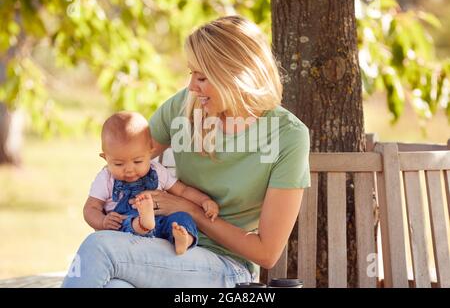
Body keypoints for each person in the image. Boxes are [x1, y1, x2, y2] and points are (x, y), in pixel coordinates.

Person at [62, 15, 310, 288]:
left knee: (99, 248)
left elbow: (266, 253)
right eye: (191, 74)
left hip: (225, 267)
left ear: (234, 75)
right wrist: (102, 210)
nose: (192, 86)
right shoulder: (183, 108)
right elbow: (126, 162)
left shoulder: (288, 135)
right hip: (159, 248)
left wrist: (190, 210)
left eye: (202, 77)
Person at [83, 111, 219, 255]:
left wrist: (204, 200)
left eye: (138, 161)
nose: (129, 170)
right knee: (125, 223)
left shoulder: (158, 171)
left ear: (150, 153)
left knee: (182, 218)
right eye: (118, 164)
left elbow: (183, 191)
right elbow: (90, 208)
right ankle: (143, 223)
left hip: (161, 224)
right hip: (127, 228)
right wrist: (103, 221)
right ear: (105, 158)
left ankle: (184, 240)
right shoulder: (106, 178)